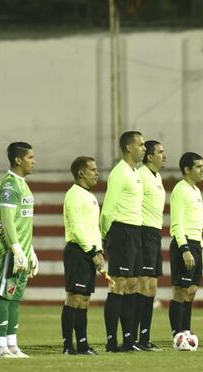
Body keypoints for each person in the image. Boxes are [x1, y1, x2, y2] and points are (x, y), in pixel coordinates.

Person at [100, 131, 146, 352]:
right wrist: (106, 235)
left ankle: (129, 341)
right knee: (118, 285)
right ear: (129, 148)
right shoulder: (119, 173)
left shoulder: (135, 172)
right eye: (141, 145)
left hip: (135, 231)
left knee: (132, 285)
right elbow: (108, 209)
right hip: (121, 231)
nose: (144, 148)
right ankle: (111, 342)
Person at [0, 142, 38, 358]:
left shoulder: (24, 185)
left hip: (23, 251)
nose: (34, 161)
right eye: (30, 157)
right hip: (11, 251)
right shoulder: (10, 185)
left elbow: (24, 222)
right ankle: (1, 346)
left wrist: (31, 252)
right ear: (18, 160)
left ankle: (12, 345)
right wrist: (17, 249)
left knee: (16, 298)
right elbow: (8, 221)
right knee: (5, 296)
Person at [61, 156, 104, 355]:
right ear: (81, 173)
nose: (97, 173)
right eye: (93, 170)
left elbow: (92, 227)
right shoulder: (74, 195)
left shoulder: (90, 196)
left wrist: (99, 251)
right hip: (78, 251)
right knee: (74, 298)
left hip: (90, 251)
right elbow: (77, 229)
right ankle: (68, 346)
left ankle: (83, 344)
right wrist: (91, 252)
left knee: (84, 299)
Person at [168, 152, 203, 342]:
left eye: (202, 166)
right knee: (181, 291)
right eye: (198, 167)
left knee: (191, 292)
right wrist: (184, 249)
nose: (202, 170)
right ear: (187, 169)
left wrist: (202, 248)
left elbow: (196, 223)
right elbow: (176, 223)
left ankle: (186, 331)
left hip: (196, 244)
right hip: (184, 244)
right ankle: (177, 334)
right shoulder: (180, 190)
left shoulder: (196, 191)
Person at [135, 140, 166, 351]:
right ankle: (135, 338)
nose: (164, 156)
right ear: (149, 156)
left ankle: (145, 337)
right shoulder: (141, 175)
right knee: (142, 286)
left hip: (155, 233)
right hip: (144, 232)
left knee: (152, 288)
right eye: (160, 152)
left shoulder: (157, 177)